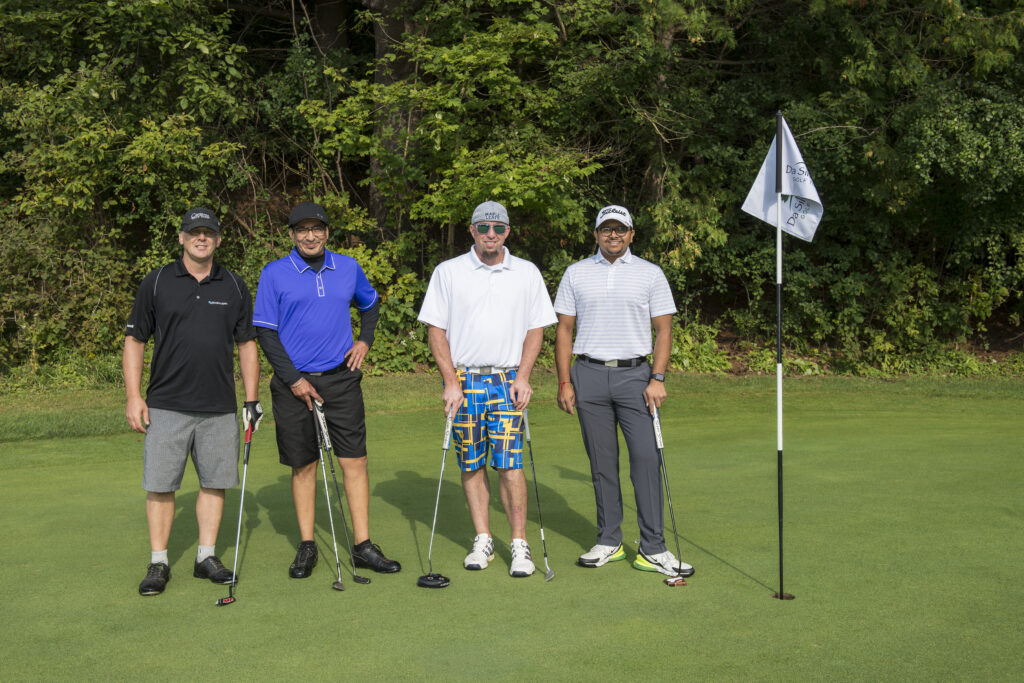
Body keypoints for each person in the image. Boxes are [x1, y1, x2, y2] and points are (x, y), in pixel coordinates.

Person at [253, 201, 400, 578]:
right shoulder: (274, 273)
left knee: (355, 460)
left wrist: (365, 340)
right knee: (304, 464)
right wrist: (294, 379)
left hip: (341, 379)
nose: (310, 236)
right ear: (291, 235)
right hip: (292, 383)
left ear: (327, 232)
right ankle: (307, 545)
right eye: (302, 230)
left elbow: (370, 305)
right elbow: (266, 334)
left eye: (316, 228)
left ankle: (363, 546)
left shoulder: (347, 267)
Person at [124, 207, 262, 597]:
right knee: (160, 485)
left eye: (209, 233)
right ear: (182, 238)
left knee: (215, 483)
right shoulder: (157, 281)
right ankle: (159, 562)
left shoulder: (233, 285)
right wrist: (133, 396)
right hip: (166, 403)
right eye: (194, 232)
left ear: (218, 240)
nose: (202, 238)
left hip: (219, 406)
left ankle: (206, 557)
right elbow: (135, 340)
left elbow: (247, 344)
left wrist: (251, 400)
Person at [553, 204, 694, 578]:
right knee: (602, 464)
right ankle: (609, 541)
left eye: (620, 229)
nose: (613, 235)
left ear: (631, 234)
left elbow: (664, 330)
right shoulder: (576, 273)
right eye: (606, 229)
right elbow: (564, 330)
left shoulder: (650, 273)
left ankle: (653, 548)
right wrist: (564, 381)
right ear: (596, 234)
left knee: (646, 460)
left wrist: (658, 378)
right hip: (588, 374)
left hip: (636, 377)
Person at [418, 200, 557, 577]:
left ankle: (519, 543)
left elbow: (536, 329)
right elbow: (436, 330)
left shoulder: (526, 272)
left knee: (510, 464)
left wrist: (524, 377)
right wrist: (450, 381)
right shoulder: (449, 272)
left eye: (497, 228)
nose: (490, 234)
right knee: (471, 463)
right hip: (464, 382)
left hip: (507, 381)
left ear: (507, 231)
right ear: (472, 230)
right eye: (483, 227)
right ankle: (483, 539)